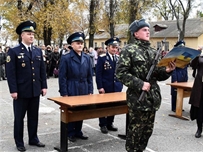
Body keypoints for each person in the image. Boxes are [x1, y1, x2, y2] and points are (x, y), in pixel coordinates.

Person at [115, 19, 175, 152]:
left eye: (148, 30)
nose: (148, 32)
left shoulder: (153, 52)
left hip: (152, 98)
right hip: (138, 98)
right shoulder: (129, 50)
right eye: (144, 30)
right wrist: (140, 84)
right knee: (135, 131)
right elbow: (120, 73)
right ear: (136, 34)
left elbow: (157, 75)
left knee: (147, 131)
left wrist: (167, 71)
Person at [5, 20, 47, 152]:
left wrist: (44, 86)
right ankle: (19, 142)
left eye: (33, 34)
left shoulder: (37, 51)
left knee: (33, 116)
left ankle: (33, 138)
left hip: (35, 89)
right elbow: (11, 73)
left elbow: (42, 70)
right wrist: (13, 90)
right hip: (21, 91)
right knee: (19, 118)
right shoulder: (14, 51)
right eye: (29, 34)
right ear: (22, 35)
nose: (32, 36)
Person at [58, 32, 93, 142]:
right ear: (72, 45)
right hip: (72, 86)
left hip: (84, 87)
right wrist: (64, 92)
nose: (80, 45)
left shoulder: (87, 58)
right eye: (78, 43)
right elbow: (62, 77)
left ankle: (78, 130)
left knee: (81, 111)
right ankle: (70, 132)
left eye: (82, 43)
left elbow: (89, 76)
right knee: (71, 111)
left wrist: (90, 90)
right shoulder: (66, 58)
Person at [96, 37, 123, 134]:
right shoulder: (102, 58)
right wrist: (100, 87)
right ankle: (103, 124)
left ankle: (110, 123)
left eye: (116, 47)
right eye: (112, 47)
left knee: (114, 106)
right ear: (107, 47)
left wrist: (120, 84)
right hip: (106, 86)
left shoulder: (118, 58)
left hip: (116, 87)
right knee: (104, 106)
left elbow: (121, 73)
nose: (114, 49)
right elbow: (98, 74)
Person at [189, 46, 203, 138]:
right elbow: (192, 65)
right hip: (200, 86)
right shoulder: (200, 57)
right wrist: (197, 53)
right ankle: (199, 129)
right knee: (199, 108)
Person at [171, 40, 188, 112]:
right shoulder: (175, 55)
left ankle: (179, 106)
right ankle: (174, 107)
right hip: (177, 74)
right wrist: (175, 79)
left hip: (183, 75)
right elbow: (173, 69)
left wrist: (186, 77)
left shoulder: (185, 55)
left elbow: (186, 67)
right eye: (181, 46)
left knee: (181, 92)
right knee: (175, 92)